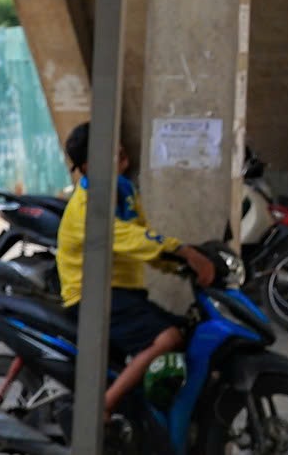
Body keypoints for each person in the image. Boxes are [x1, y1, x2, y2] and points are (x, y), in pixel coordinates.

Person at [57, 121, 219, 417]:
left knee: (188, 333)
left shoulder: (123, 190)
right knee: (167, 338)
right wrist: (182, 250)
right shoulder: (87, 206)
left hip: (122, 294)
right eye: (108, 146)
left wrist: (178, 264)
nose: (119, 149)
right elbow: (128, 237)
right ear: (90, 164)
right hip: (91, 297)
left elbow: (142, 239)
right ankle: (102, 407)